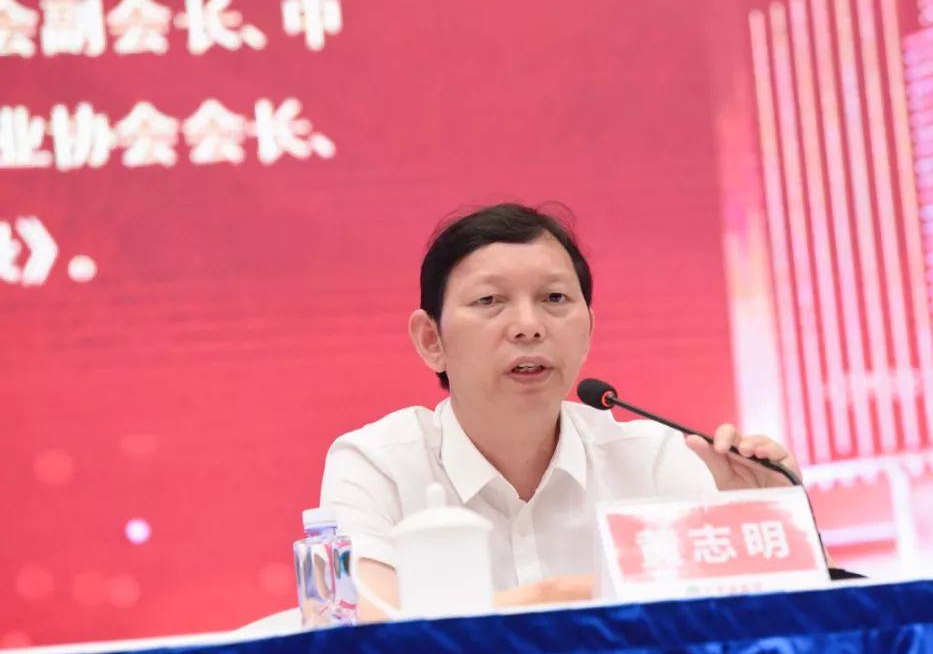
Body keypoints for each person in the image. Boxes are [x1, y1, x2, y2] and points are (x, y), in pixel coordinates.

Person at [320, 202, 817, 616]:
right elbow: (361, 631)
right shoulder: (377, 465)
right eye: (490, 300)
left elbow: (762, 634)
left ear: (588, 331)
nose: (528, 326)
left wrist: (769, 523)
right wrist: (556, 597)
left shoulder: (659, 460)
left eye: (554, 298)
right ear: (431, 340)